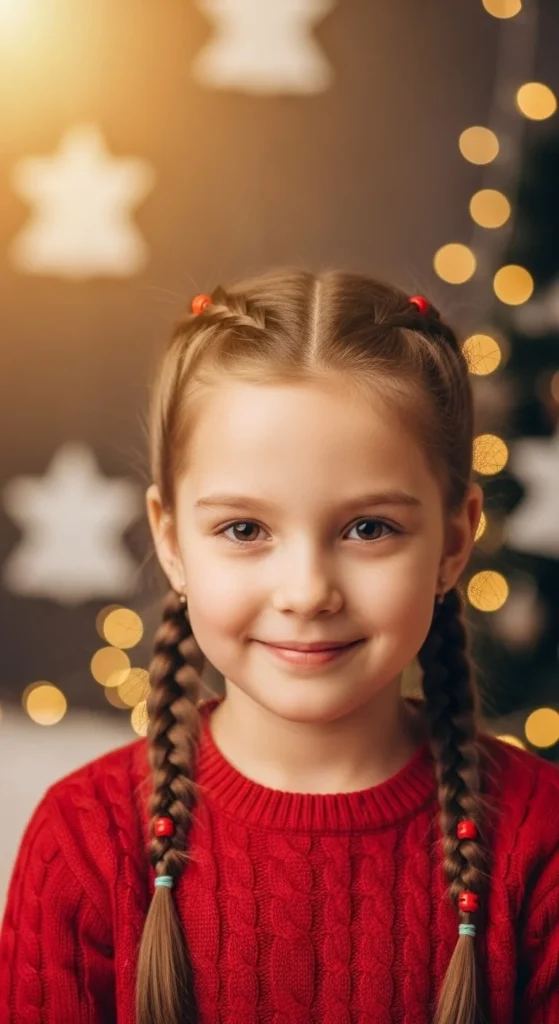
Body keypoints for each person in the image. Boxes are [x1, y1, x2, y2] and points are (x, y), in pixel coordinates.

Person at [1, 268, 557, 1024]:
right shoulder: (84, 841)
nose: (306, 591)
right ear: (171, 540)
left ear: (455, 540)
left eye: (368, 528)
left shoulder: (539, 840)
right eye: (244, 529)